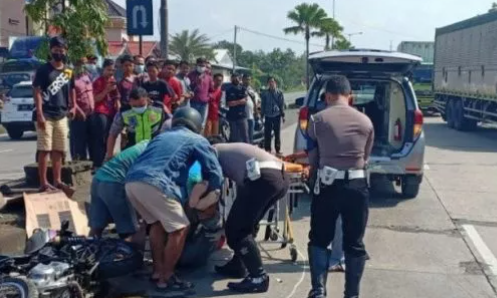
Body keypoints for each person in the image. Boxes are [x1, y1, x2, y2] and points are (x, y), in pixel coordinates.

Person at [124, 107, 223, 290]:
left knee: (157, 224)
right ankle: (168, 277)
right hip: (156, 183)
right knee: (180, 227)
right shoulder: (196, 139)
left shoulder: (161, 136)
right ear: (197, 125)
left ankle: (157, 272)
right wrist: (215, 191)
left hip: (131, 183)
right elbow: (214, 170)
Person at [305, 75, 374, 298]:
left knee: (319, 239)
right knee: (354, 243)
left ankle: (318, 291)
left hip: (327, 185)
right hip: (357, 185)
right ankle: (352, 294)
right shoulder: (366, 121)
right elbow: (365, 157)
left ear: (328, 95)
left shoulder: (316, 120)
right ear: (349, 96)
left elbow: (313, 158)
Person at [210, 139, 289, 293]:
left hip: (263, 177)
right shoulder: (228, 150)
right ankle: (239, 264)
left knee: (236, 229)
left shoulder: (210, 150)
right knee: (247, 223)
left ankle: (258, 277)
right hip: (280, 176)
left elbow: (212, 183)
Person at [33, 36, 76, 195]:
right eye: (56, 50)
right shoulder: (44, 70)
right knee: (44, 149)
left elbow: (72, 89)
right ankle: (43, 182)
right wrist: (39, 113)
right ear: (51, 51)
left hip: (62, 114)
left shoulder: (69, 70)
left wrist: (74, 105)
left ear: (65, 51)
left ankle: (57, 181)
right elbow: (37, 91)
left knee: (59, 150)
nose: (59, 52)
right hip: (46, 114)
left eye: (61, 50)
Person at [89, 140, 149, 242]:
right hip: (114, 183)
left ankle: (85, 253)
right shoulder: (154, 151)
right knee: (129, 232)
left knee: (96, 230)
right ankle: (126, 256)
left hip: (98, 179)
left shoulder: (144, 144)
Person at [105, 87, 170, 159]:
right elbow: (113, 134)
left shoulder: (159, 108)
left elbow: (171, 124)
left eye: (141, 105)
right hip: (133, 151)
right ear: (129, 102)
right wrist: (109, 155)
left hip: (155, 149)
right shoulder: (124, 112)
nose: (138, 108)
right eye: (134, 106)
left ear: (147, 99)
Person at [91, 59, 121, 170]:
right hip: (100, 112)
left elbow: (117, 96)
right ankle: (97, 163)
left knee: (110, 137)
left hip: (111, 112)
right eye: (108, 70)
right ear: (103, 69)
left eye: (113, 70)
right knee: (100, 138)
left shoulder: (113, 80)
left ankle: (106, 160)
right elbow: (95, 99)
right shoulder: (98, 81)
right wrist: (106, 90)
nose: (111, 72)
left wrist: (118, 101)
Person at [70, 57, 94, 161]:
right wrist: (79, 111)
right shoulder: (71, 79)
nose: (82, 66)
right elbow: (70, 99)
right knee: (78, 142)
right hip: (79, 115)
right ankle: (79, 161)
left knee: (90, 140)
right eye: (80, 64)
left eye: (84, 63)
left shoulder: (87, 76)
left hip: (90, 114)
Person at [188, 57, 214, 131]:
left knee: (201, 123)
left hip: (204, 103)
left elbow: (212, 90)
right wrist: (196, 82)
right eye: (200, 65)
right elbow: (188, 88)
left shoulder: (208, 76)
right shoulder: (191, 75)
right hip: (193, 102)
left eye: (203, 66)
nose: (202, 67)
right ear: (196, 65)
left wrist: (208, 97)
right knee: (192, 122)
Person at [261, 77, 285, 155]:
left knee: (277, 133)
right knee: (267, 133)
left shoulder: (279, 93)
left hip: (276, 115)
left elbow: (281, 105)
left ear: (275, 83)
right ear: (268, 84)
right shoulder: (265, 94)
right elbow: (263, 105)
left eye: (273, 82)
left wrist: (283, 115)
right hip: (268, 116)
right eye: (270, 82)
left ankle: (277, 150)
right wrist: (262, 115)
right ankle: (268, 149)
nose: (271, 83)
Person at [222, 73, 249, 143]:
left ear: (239, 79)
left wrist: (234, 102)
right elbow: (228, 104)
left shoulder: (243, 88)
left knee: (245, 136)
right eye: (234, 78)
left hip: (242, 116)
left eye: (237, 78)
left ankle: (247, 152)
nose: (236, 79)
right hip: (232, 117)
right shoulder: (228, 90)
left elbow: (245, 101)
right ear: (231, 79)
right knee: (233, 137)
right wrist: (239, 101)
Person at [242, 74, 260, 144]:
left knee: (250, 137)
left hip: (251, 117)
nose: (247, 81)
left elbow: (257, 102)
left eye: (249, 79)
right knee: (243, 138)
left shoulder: (252, 90)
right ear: (242, 80)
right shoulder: (239, 89)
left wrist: (257, 112)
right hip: (242, 118)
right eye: (246, 79)